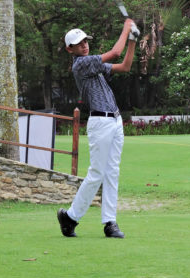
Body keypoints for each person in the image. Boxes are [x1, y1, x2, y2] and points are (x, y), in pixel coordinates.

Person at [57, 19, 140, 238]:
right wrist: (125, 28)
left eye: (85, 41)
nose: (84, 45)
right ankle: (71, 216)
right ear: (70, 49)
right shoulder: (81, 64)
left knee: (112, 172)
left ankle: (110, 222)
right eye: (78, 43)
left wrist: (132, 40)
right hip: (99, 122)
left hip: (114, 120)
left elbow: (125, 66)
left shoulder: (92, 62)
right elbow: (114, 53)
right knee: (96, 173)